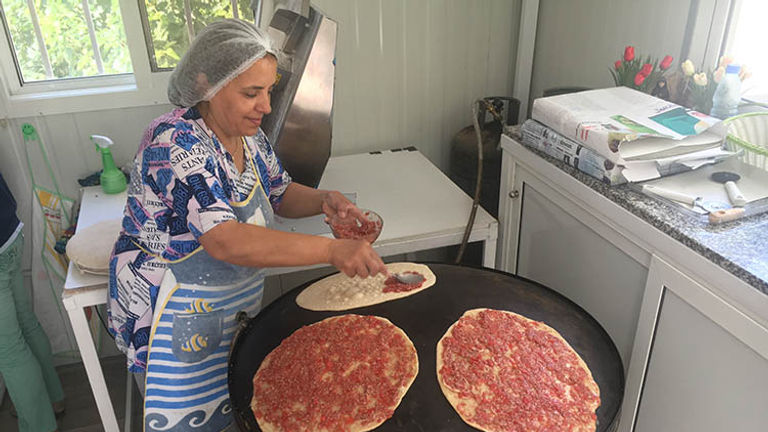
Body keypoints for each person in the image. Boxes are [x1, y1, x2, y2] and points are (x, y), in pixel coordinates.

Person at [106, 19, 387, 432]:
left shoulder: (249, 136)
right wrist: (332, 250)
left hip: (225, 302)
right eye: (251, 93)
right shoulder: (175, 142)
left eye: (269, 90)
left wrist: (324, 199)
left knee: (233, 402)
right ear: (207, 84)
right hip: (173, 309)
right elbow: (226, 240)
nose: (266, 106)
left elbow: (278, 190)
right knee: (187, 420)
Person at [0, 171, 65, 432]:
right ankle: (53, 399)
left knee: (9, 350)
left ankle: (39, 425)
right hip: (9, 232)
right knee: (25, 322)